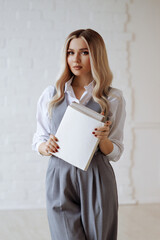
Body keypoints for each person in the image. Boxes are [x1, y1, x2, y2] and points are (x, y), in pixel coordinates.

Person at [32, 28, 126, 240]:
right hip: (59, 175)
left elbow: (116, 150)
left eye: (84, 52)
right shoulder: (51, 95)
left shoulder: (113, 98)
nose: (75, 59)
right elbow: (39, 138)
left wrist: (103, 140)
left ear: (96, 55)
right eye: (70, 52)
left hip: (97, 175)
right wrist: (45, 147)